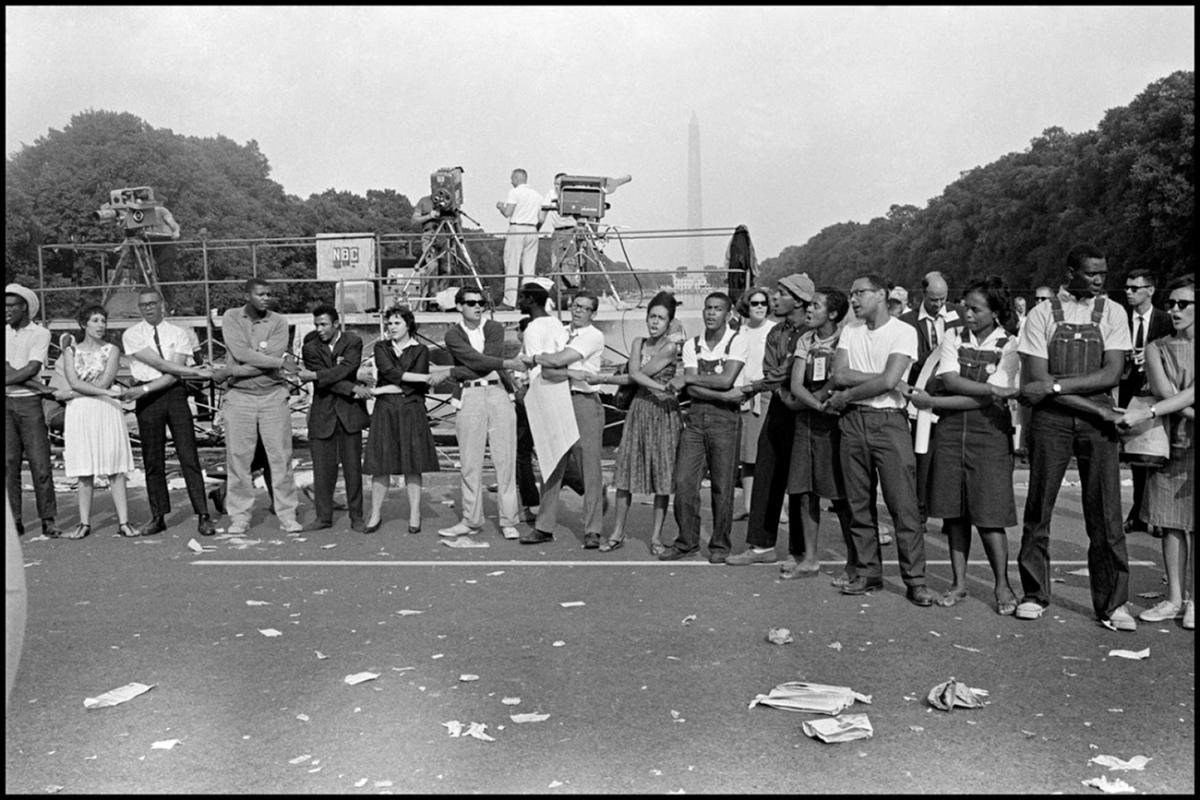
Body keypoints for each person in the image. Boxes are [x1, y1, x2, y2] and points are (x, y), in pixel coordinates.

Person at [1015, 244, 1136, 631]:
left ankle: (1113, 604)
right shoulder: (1040, 314)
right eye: (1091, 273)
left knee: (1106, 514)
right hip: (1053, 422)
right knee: (1039, 509)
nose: (1100, 280)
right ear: (1069, 274)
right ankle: (1035, 594)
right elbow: (1032, 378)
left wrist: (1053, 387)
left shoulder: (1114, 312)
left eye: (1103, 273)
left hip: (1088, 418)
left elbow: (1110, 375)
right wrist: (1093, 406)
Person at [906, 276, 1022, 613]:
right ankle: (959, 584)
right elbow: (950, 378)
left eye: (976, 309)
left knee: (989, 515)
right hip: (951, 435)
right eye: (966, 307)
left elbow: (979, 397)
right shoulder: (952, 337)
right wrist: (991, 390)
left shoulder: (1011, 345)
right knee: (954, 514)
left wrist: (937, 403)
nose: (967, 314)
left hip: (990, 437)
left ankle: (1002, 585)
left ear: (996, 312)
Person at [824, 273, 937, 607]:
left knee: (903, 506)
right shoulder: (850, 330)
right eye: (852, 293)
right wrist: (887, 380)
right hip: (854, 422)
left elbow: (886, 380)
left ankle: (915, 580)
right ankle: (868, 572)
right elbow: (839, 374)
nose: (854, 299)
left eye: (860, 293)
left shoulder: (904, 331)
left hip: (888, 422)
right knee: (859, 504)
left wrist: (848, 395)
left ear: (881, 295)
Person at [1117, 274, 1194, 629]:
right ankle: (1175, 598)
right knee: (1170, 523)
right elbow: (1167, 394)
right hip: (1168, 444)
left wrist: (1148, 412)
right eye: (1172, 303)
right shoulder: (1156, 347)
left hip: (1172, 432)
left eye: (1183, 304)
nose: (1174, 310)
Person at [587, 291, 684, 554]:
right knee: (626, 473)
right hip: (640, 409)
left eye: (661, 318)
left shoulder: (671, 348)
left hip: (663, 413)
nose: (655, 322)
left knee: (662, 476)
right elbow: (634, 376)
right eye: (652, 316)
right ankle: (618, 532)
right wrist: (661, 387)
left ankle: (655, 537)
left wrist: (602, 379)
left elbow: (637, 374)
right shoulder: (638, 342)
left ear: (669, 322)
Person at [725, 274, 812, 566]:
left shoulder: (812, 333)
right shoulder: (776, 333)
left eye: (780, 293)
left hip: (804, 411)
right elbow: (774, 371)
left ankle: (800, 551)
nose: (774, 297)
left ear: (798, 300)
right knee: (766, 473)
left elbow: (782, 373)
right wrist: (777, 388)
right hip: (779, 406)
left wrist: (750, 388)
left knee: (800, 482)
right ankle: (761, 546)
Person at [660, 292, 748, 563]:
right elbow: (699, 387)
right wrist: (706, 385)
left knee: (722, 487)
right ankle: (686, 541)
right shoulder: (691, 345)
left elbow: (726, 379)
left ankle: (720, 545)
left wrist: (692, 381)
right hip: (695, 421)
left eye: (718, 309)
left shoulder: (737, 340)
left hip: (726, 420)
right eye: (708, 308)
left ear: (728, 313)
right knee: (685, 482)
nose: (711, 313)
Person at [121, 287, 216, 537]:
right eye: (143, 305)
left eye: (153, 303)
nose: (149, 308)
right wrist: (196, 372)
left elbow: (173, 372)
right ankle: (158, 515)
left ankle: (203, 514)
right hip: (147, 399)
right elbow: (159, 363)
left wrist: (145, 388)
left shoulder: (178, 333)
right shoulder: (132, 334)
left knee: (188, 455)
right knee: (153, 460)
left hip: (172, 395)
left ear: (161, 304)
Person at [438, 289, 526, 540]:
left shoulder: (495, 328)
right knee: (469, 462)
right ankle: (470, 519)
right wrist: (506, 364)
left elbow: (485, 361)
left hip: (498, 393)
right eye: (471, 303)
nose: (478, 307)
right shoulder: (452, 334)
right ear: (459, 306)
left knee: (505, 459)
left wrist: (451, 371)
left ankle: (509, 519)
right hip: (470, 396)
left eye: (481, 303)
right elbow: (476, 363)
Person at [523, 291, 607, 548]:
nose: (579, 310)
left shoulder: (593, 335)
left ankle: (593, 529)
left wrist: (539, 359)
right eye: (576, 306)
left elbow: (556, 361)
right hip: (557, 397)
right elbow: (550, 371)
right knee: (552, 461)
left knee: (589, 467)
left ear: (593, 313)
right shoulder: (561, 331)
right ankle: (544, 526)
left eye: (585, 307)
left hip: (583, 402)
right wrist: (568, 371)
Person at [782, 287, 856, 581]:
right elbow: (797, 384)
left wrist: (824, 402)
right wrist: (816, 405)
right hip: (808, 420)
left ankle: (854, 562)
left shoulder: (845, 338)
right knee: (804, 491)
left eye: (815, 306)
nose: (808, 310)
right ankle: (810, 558)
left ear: (833, 313)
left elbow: (840, 378)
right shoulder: (805, 339)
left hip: (835, 424)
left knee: (839, 495)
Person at [220, 277, 303, 534]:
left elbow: (271, 355)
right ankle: (240, 516)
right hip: (240, 397)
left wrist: (232, 370)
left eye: (269, 294)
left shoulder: (279, 321)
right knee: (238, 459)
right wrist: (277, 364)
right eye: (260, 294)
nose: (266, 298)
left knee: (281, 457)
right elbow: (243, 352)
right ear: (248, 295)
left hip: (272, 396)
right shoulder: (232, 317)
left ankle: (287, 514)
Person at [57, 305, 140, 539]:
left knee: (114, 466)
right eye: (95, 320)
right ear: (84, 324)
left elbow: (104, 383)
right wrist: (74, 393)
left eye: (103, 320)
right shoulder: (70, 352)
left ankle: (124, 522)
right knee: (84, 469)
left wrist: (73, 394)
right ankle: (84, 523)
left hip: (106, 410)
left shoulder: (111, 350)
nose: (100, 325)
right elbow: (73, 382)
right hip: (81, 413)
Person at [357, 306, 440, 534]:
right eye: (389, 323)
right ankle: (375, 514)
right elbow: (391, 372)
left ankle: (415, 513)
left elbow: (414, 386)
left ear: (408, 325)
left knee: (413, 464)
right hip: (386, 411)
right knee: (380, 464)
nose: (391, 327)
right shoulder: (381, 347)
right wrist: (419, 378)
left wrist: (383, 389)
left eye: (396, 323)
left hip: (412, 409)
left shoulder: (421, 350)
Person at [299, 305, 370, 532]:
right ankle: (323, 517)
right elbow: (326, 382)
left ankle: (356, 517)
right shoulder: (310, 348)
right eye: (316, 325)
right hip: (323, 415)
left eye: (324, 324)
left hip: (349, 414)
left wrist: (318, 374)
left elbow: (348, 368)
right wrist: (351, 387)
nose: (319, 329)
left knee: (353, 470)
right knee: (323, 471)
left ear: (336, 323)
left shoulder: (352, 341)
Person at [900, 271, 962, 523]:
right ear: (922, 294)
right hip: (920, 398)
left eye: (943, 299)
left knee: (951, 458)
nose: (938, 305)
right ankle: (920, 511)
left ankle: (952, 516)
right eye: (933, 299)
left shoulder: (960, 316)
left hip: (952, 396)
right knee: (922, 456)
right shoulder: (906, 322)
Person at [1119, 269, 1173, 536]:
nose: (1128, 292)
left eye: (1134, 288)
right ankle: (1140, 511)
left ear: (1150, 290)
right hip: (1127, 392)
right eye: (1127, 288)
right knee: (1136, 454)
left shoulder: (1165, 320)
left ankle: (1152, 512)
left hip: (1157, 394)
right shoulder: (1119, 319)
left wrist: (1152, 359)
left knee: (1157, 453)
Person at [5, 283, 60, 538]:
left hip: (29, 404)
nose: (7, 310)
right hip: (8, 402)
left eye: (12, 305)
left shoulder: (40, 333)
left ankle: (48, 518)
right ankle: (14, 519)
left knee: (40, 463)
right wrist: (38, 385)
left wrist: (29, 381)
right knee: (9, 464)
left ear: (24, 307)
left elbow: (32, 367)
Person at [731, 287, 776, 522]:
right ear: (746, 307)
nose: (760, 307)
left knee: (768, 455)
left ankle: (774, 506)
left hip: (767, 394)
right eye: (755, 303)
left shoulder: (775, 331)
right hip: (744, 396)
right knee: (748, 456)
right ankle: (748, 504)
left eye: (763, 303)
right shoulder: (739, 332)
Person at [496, 168, 543, 309]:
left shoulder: (514, 192)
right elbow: (541, 217)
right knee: (529, 269)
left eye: (512, 178)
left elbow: (508, 212)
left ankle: (509, 301)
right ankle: (529, 301)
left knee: (512, 266)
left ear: (517, 178)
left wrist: (500, 207)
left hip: (517, 228)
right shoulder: (537, 195)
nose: (511, 181)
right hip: (533, 230)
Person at [724, 224, 758, 303]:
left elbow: (727, 258)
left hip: (734, 273)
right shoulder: (747, 243)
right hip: (744, 271)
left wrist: (726, 275)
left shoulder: (733, 243)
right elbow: (753, 259)